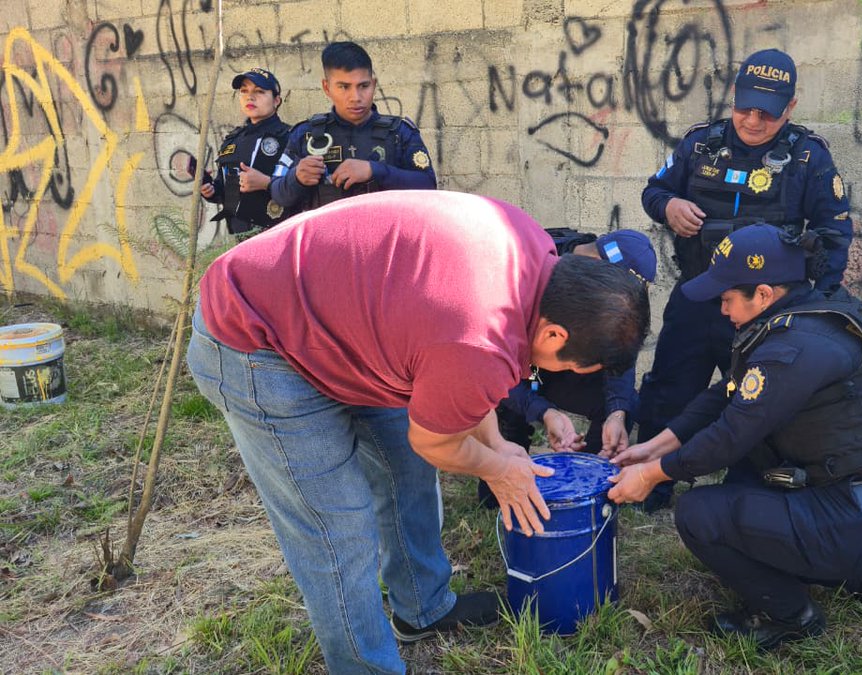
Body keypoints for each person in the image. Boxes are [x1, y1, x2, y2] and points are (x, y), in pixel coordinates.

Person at [186, 190, 650, 674]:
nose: (564, 373)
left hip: (345, 325)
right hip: (257, 336)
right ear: (555, 335)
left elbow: (467, 386)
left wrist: (495, 443)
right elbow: (434, 437)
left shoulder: (535, 254)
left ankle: (423, 609)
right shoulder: (476, 333)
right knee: (338, 530)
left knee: (406, 474)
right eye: (572, 366)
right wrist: (497, 470)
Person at [605, 224, 862, 649]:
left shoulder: (796, 347)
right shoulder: (802, 315)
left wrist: (651, 476)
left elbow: (731, 434)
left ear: (763, 293)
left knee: (700, 514)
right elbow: (726, 395)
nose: (721, 310)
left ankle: (791, 614)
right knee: (743, 478)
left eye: (727, 299)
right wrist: (654, 446)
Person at [636, 48, 854, 512]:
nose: (753, 120)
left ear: (790, 107)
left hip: (766, 312)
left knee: (760, 404)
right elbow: (654, 191)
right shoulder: (700, 144)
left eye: (767, 113)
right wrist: (668, 207)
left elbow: (835, 236)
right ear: (733, 97)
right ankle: (651, 488)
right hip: (699, 294)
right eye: (745, 107)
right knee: (670, 390)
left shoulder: (807, 159)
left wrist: (810, 310)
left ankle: (743, 496)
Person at [478, 228, 657, 507]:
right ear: (599, 271)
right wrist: (542, 410)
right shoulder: (532, 274)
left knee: (621, 403)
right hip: (529, 371)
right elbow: (494, 372)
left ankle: (591, 484)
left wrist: (617, 412)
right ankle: (496, 497)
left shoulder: (608, 307)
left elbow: (619, 361)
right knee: (511, 407)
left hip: (568, 368)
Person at [270, 41, 436, 212]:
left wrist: (376, 170)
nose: (355, 97)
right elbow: (278, 194)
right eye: (344, 87)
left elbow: (429, 186)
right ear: (327, 88)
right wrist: (297, 178)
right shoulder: (306, 135)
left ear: (373, 84)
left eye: (363, 86)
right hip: (328, 238)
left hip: (386, 237)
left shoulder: (399, 133)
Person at [199, 68, 294, 235]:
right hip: (238, 236)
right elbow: (227, 193)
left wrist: (266, 182)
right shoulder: (233, 140)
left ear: (276, 100)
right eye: (244, 91)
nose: (250, 97)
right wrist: (211, 190)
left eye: (259, 91)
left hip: (278, 234)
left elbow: (300, 189)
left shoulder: (290, 137)